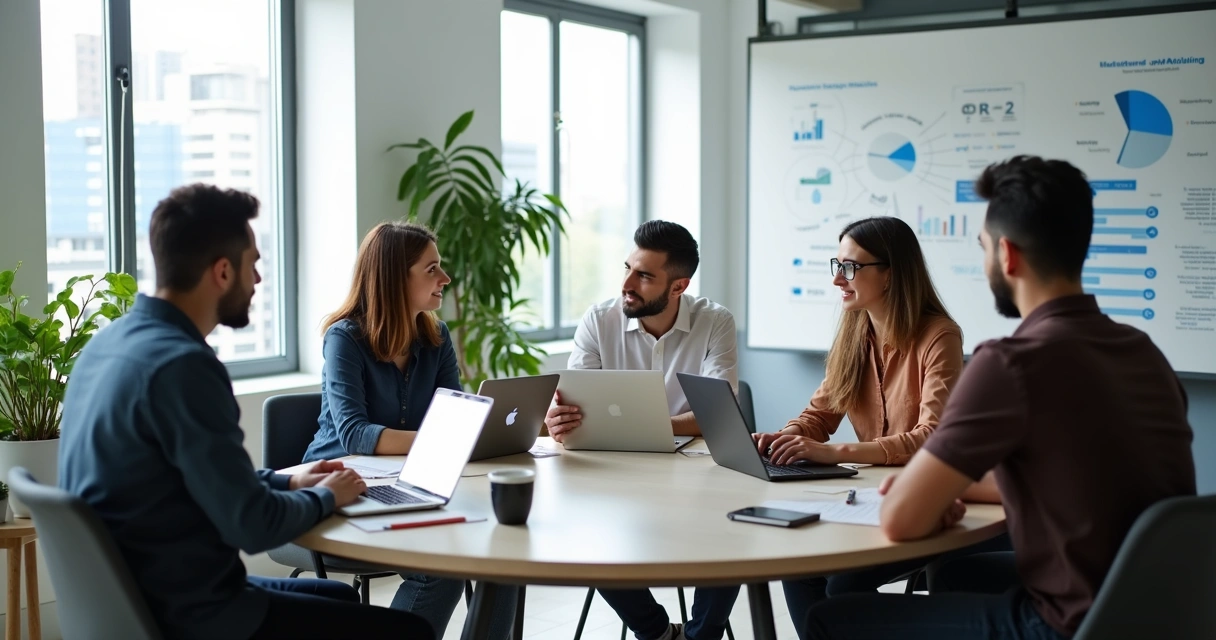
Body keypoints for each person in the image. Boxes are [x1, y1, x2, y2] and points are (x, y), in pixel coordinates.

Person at [804, 155, 1197, 639]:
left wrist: (919, 495)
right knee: (956, 575)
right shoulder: (1144, 353)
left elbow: (902, 520)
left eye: (983, 248)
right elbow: (1070, 478)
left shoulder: (1011, 362)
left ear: (1007, 256)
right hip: (1155, 608)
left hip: (1064, 622)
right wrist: (942, 489)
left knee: (827, 618)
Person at [58, 184, 433, 640]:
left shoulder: (107, 346)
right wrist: (328, 496)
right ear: (222, 271)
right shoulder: (184, 366)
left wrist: (289, 480)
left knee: (337, 599)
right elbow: (255, 527)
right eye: (252, 264)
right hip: (192, 614)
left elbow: (197, 479)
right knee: (408, 632)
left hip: (134, 599)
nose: (257, 280)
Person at [748, 216, 983, 630]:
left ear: (891, 273)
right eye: (836, 265)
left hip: (919, 502)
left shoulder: (939, 336)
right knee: (798, 567)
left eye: (851, 267)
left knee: (841, 585)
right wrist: (784, 439)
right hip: (863, 500)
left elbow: (932, 438)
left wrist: (833, 452)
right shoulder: (854, 332)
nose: (839, 279)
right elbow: (819, 416)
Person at [301, 221, 516, 639]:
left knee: (504, 553)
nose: (445, 278)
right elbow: (355, 434)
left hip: (412, 479)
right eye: (431, 268)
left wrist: (475, 432)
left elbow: (453, 414)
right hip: (341, 484)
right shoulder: (344, 338)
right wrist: (445, 441)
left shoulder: (435, 335)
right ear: (395, 277)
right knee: (441, 573)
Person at [546, 220, 739, 640]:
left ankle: (700, 636)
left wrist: (649, 423)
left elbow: (719, 415)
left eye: (644, 275)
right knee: (585, 527)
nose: (627, 284)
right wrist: (559, 420)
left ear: (678, 286)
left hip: (694, 476)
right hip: (616, 473)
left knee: (735, 526)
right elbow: (575, 407)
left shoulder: (715, 322)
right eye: (628, 268)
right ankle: (657, 633)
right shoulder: (599, 320)